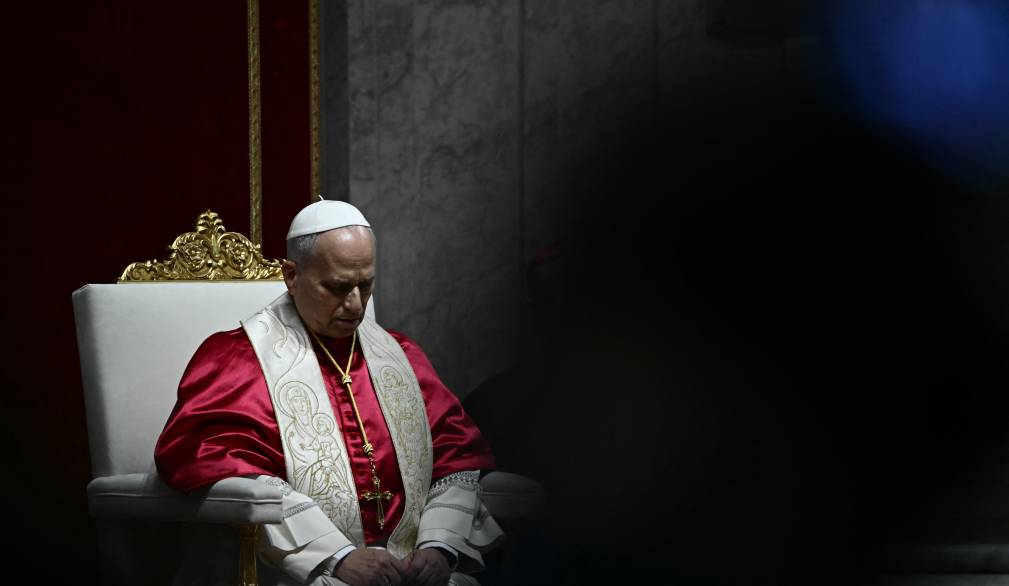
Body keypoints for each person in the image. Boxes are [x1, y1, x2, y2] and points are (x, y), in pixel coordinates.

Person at [155, 200, 503, 586]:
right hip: (298, 572)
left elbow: (456, 456)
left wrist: (439, 548)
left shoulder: (401, 356)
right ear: (291, 276)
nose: (355, 305)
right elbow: (213, 462)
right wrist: (335, 556)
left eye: (366, 285)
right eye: (338, 288)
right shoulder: (238, 361)